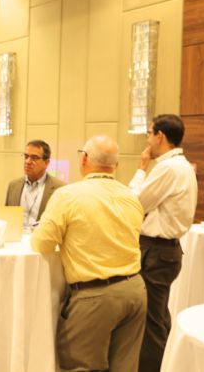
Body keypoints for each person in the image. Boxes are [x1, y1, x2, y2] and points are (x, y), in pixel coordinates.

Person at [31, 135, 146, 371]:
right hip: (135, 291)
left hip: (95, 295)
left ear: (84, 159)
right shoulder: (131, 197)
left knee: (80, 366)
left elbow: (41, 243)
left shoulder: (67, 196)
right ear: (116, 165)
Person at [129, 114, 198, 372]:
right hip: (165, 251)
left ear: (160, 136)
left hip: (155, 252)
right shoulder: (182, 165)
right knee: (158, 317)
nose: (147, 139)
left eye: (149, 133)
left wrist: (141, 168)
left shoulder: (169, 168)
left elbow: (136, 203)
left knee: (150, 324)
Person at [5, 140, 65, 230]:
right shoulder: (13, 186)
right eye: (26, 156)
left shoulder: (59, 188)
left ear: (46, 163)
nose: (28, 161)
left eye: (34, 158)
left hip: (42, 238)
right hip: (15, 237)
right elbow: (7, 217)